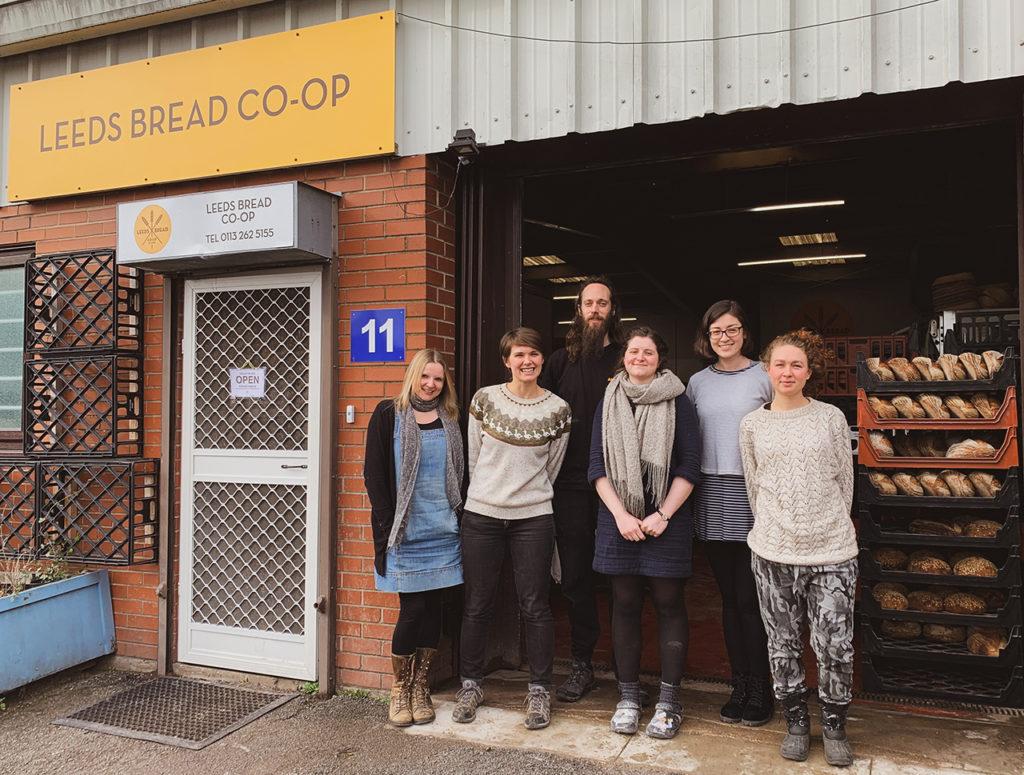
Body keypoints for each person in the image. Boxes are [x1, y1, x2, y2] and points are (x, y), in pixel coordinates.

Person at [739, 329, 856, 767]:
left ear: (809, 372)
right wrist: (779, 526)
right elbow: (755, 486)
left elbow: (845, 483)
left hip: (831, 551)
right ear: (767, 369)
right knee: (783, 643)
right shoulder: (752, 424)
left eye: (796, 365)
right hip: (772, 551)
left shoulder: (830, 418)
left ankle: (835, 725)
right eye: (780, 364)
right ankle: (794, 723)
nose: (787, 372)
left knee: (835, 645)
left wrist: (823, 525)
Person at [452, 327, 571, 730]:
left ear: (541, 360)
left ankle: (539, 691)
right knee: (477, 602)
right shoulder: (484, 400)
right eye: (519, 355)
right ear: (507, 360)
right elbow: (474, 458)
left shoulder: (559, 409)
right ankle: (471, 684)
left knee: (535, 605)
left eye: (534, 354)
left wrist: (527, 496)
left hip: (534, 517)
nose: (527, 362)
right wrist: (488, 494)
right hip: (482, 514)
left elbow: (551, 467)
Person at [590, 326, 700, 740]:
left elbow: (691, 464)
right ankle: (629, 698)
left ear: (660, 358)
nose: (639, 357)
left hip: (665, 519)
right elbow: (596, 466)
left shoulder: (679, 400)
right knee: (625, 602)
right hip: (618, 519)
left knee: (669, 602)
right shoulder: (609, 398)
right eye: (634, 351)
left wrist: (663, 514)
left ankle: (670, 703)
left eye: (648, 352)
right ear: (624, 357)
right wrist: (621, 515)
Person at [363, 349, 465, 727]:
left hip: (443, 529)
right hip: (405, 531)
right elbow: (373, 473)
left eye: (438, 378)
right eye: (425, 376)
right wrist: (390, 524)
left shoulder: (451, 418)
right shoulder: (388, 414)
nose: (431, 384)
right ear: (413, 376)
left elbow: (461, 472)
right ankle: (399, 689)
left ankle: (421, 688)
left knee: (434, 612)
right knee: (412, 611)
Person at [688, 300, 774, 726]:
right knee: (727, 598)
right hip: (711, 490)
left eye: (732, 329)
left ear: (745, 333)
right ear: (707, 336)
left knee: (751, 598)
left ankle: (762, 687)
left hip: (753, 491)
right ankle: (739, 684)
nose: (725, 337)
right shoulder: (697, 382)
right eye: (717, 330)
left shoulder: (764, 375)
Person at [538, 276, 623, 702]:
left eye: (602, 303)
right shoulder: (558, 362)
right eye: (588, 302)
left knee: (625, 577)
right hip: (571, 485)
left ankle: (629, 672)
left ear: (612, 309)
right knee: (575, 578)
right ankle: (583, 664)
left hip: (620, 487)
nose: (594, 309)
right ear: (578, 309)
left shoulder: (629, 359)